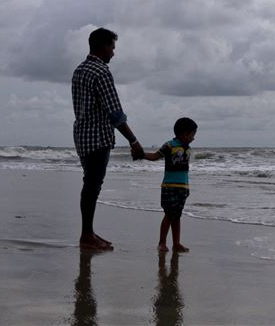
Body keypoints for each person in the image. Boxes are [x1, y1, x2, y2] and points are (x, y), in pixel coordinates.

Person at [72, 27, 145, 251]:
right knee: (93, 186)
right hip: (97, 137)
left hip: (82, 135)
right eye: (112, 48)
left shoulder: (79, 70)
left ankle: (88, 232)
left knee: (90, 185)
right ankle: (86, 235)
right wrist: (134, 141)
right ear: (103, 46)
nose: (113, 53)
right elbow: (115, 113)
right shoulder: (101, 72)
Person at [143, 117, 198, 253]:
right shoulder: (169, 145)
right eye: (192, 135)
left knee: (177, 215)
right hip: (169, 186)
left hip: (182, 187)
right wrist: (141, 154)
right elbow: (155, 156)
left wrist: (187, 187)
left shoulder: (188, 148)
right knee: (169, 214)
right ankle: (162, 242)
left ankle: (176, 243)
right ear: (184, 133)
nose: (193, 138)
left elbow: (185, 170)